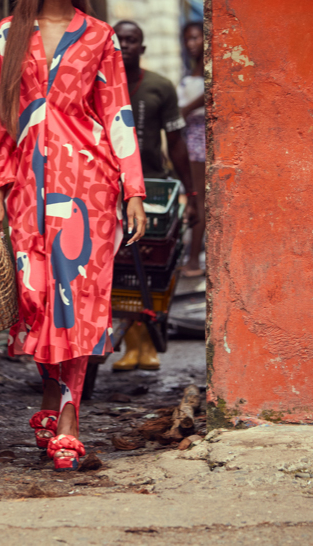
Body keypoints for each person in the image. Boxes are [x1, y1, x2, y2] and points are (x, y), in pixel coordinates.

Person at [0, 0, 147, 471]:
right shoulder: (9, 36)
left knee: (80, 297)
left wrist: (135, 190)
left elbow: (118, 113)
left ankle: (70, 421)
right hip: (29, 188)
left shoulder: (100, 36)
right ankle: (50, 404)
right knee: (39, 299)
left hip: (89, 188)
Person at [111, 19, 198, 372]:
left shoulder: (160, 87)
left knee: (149, 266)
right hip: (107, 188)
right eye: (120, 40)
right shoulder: (96, 87)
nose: (126, 45)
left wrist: (189, 192)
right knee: (118, 268)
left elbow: (176, 143)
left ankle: (146, 343)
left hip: (152, 188)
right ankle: (132, 345)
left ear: (142, 48)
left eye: (133, 40)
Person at [178, 21, 206, 276]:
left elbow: (210, 93)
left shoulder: (211, 73)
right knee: (193, 198)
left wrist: (185, 110)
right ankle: (192, 256)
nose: (191, 44)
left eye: (196, 38)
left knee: (198, 199)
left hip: (201, 141)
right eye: (188, 39)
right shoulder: (191, 73)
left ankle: (195, 260)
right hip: (189, 141)